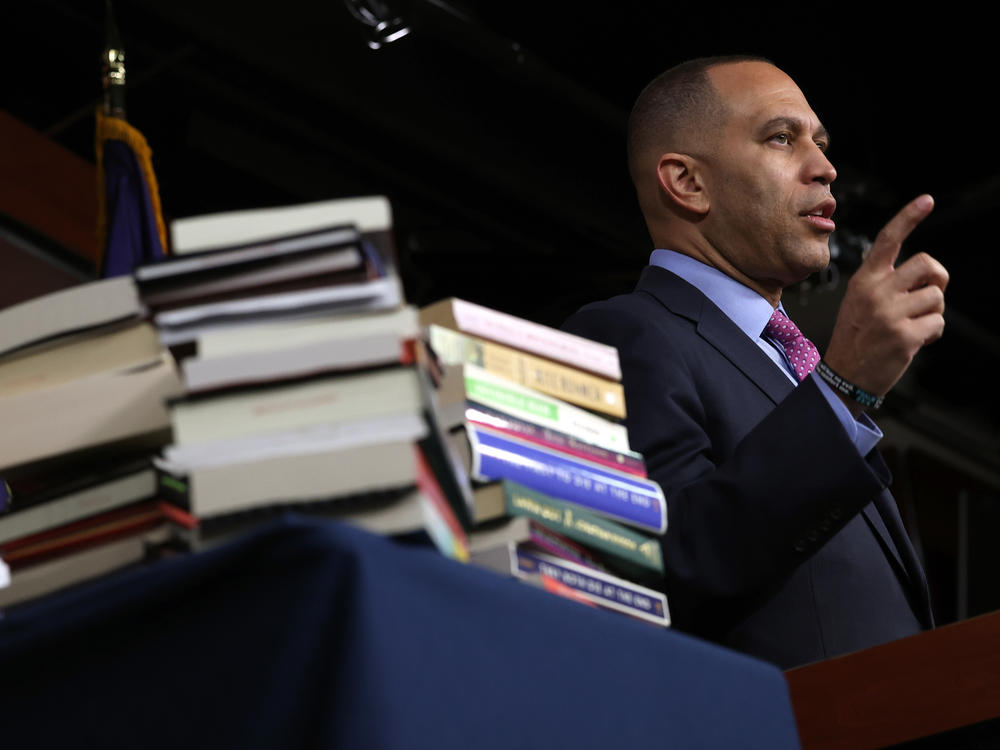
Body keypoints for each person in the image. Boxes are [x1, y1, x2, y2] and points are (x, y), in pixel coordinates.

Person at [561, 55, 948, 669]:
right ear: (687, 182)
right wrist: (844, 387)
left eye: (820, 143)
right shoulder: (621, 334)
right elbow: (668, 563)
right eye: (781, 138)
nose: (826, 169)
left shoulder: (786, 359)